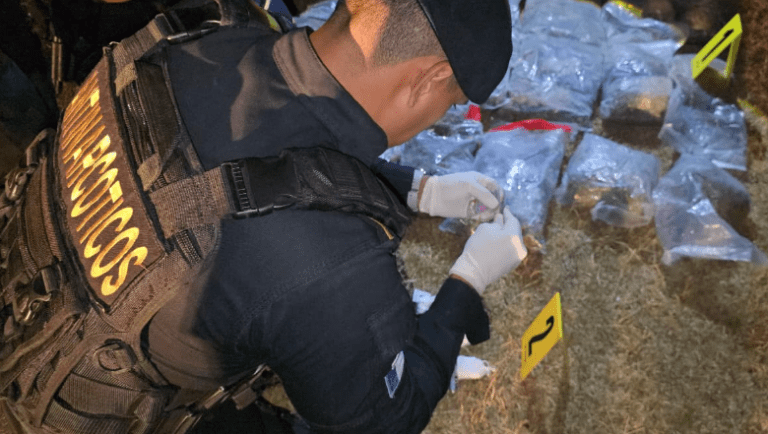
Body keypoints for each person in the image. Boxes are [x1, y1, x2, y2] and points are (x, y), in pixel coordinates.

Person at [0, 0, 525, 433]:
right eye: (449, 102)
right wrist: (467, 283)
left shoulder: (204, 32)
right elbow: (383, 417)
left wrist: (418, 190)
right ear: (430, 78)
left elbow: (255, 156)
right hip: (75, 407)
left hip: (28, 288)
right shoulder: (334, 265)